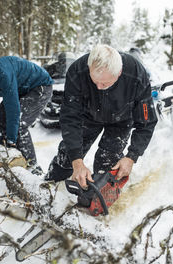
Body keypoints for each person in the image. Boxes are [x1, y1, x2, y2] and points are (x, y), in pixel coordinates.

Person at [45, 44, 158, 188]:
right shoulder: (77, 71)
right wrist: (77, 161)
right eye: (94, 81)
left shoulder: (136, 74)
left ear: (119, 73)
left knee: (107, 163)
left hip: (121, 119)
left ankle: (95, 199)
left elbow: (147, 122)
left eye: (104, 83)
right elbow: (69, 117)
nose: (98, 87)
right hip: (88, 115)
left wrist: (131, 157)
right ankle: (49, 186)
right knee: (67, 157)